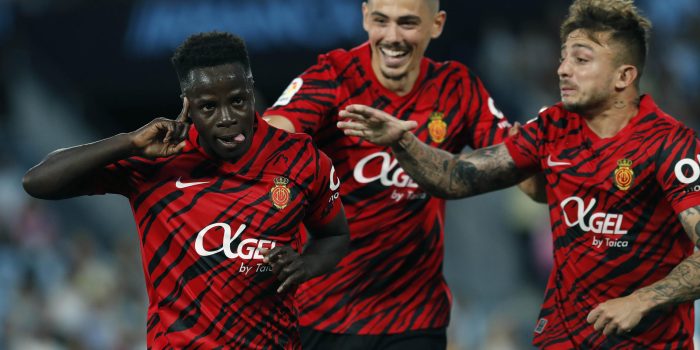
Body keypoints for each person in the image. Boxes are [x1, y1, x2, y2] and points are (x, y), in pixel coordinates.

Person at [338, 0, 700, 348]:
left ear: (624, 75)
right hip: (562, 338)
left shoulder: (670, 146)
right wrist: (402, 142)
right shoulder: (551, 129)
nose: (563, 69)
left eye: (581, 59)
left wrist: (640, 301)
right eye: (564, 57)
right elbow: (455, 177)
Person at [22, 32, 350, 349]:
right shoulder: (156, 162)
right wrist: (129, 142)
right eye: (208, 107)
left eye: (237, 101)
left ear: (251, 90)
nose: (227, 118)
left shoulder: (301, 158)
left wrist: (305, 266)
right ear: (188, 105)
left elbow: (334, 236)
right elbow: (37, 182)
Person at [263, 0, 544, 348]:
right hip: (323, 315)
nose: (392, 37)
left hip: (414, 320)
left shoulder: (456, 88)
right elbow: (271, 138)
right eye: (381, 20)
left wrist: (541, 153)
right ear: (365, 17)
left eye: (408, 23)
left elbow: (526, 177)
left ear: (436, 24)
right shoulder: (333, 76)